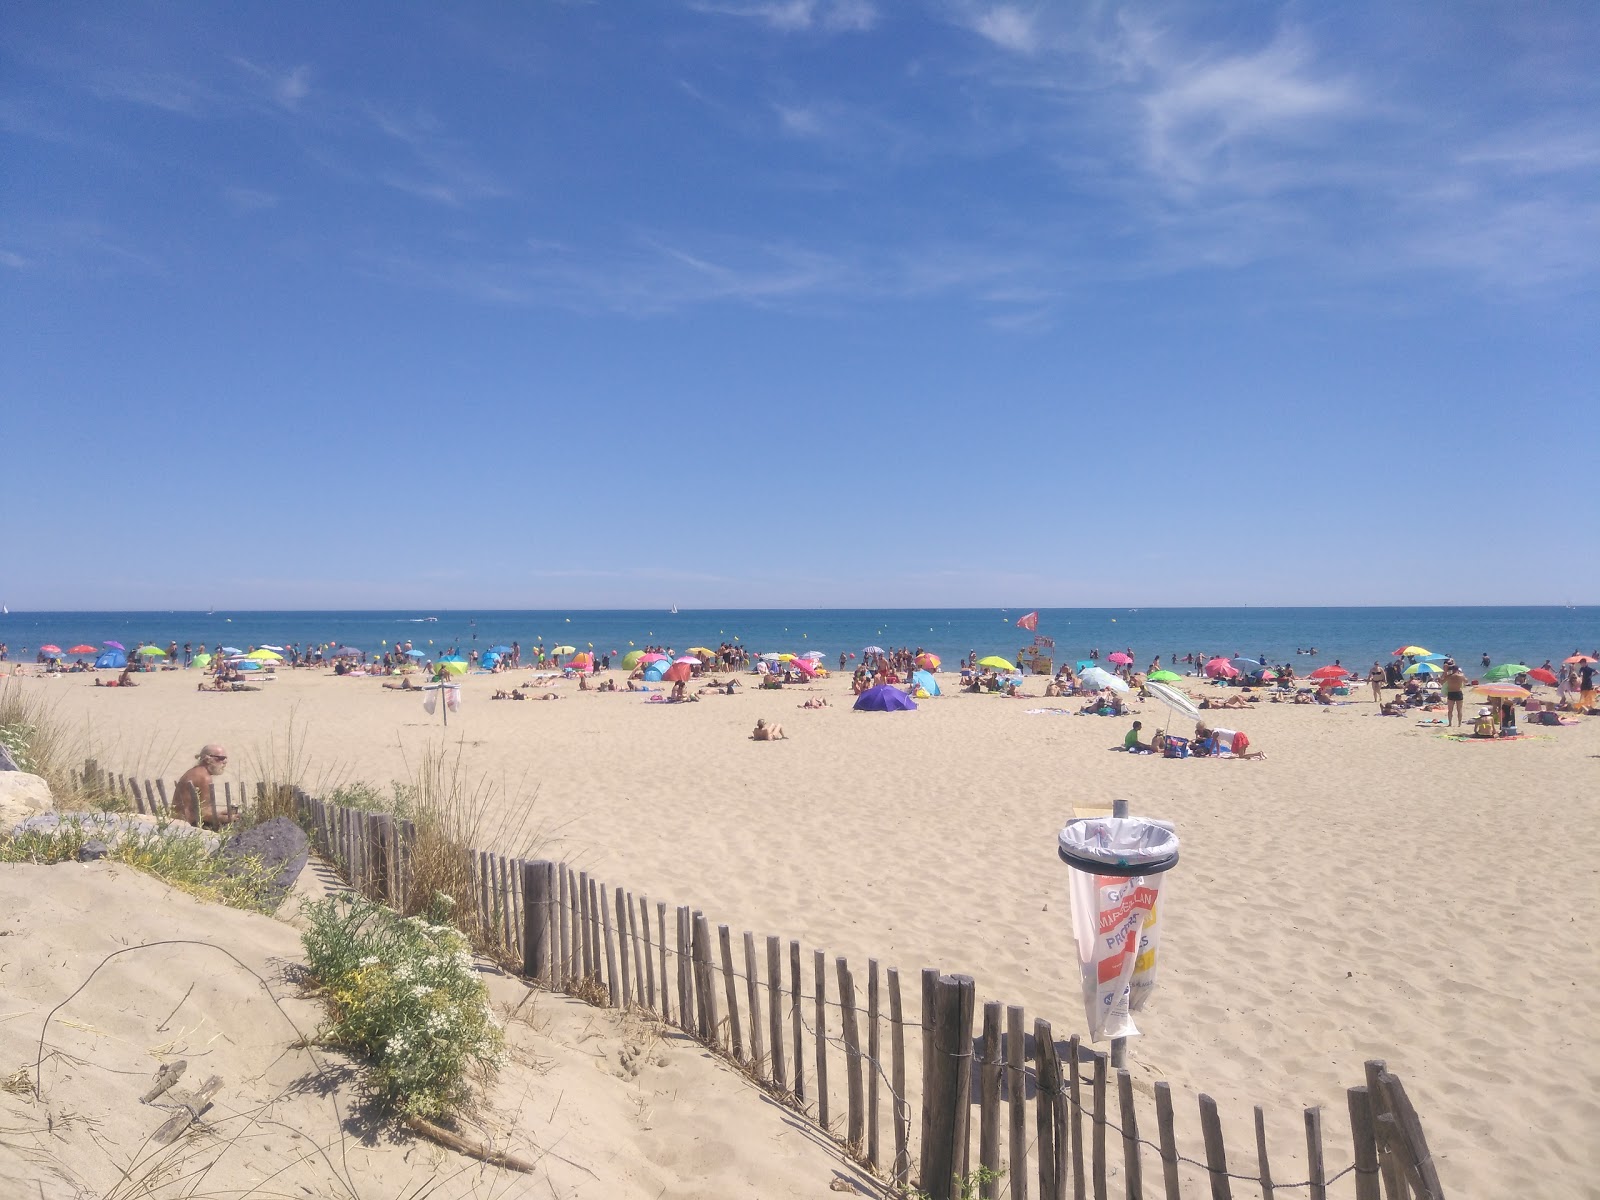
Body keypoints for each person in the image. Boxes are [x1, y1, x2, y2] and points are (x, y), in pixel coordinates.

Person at [173, 744, 236, 830]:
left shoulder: (195, 771)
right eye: (221, 758)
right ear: (208, 759)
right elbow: (203, 813)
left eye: (225, 758)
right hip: (187, 824)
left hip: (179, 820)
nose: (225, 762)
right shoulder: (204, 777)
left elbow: (201, 809)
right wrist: (226, 818)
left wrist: (221, 813)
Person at [1441, 662, 1467, 727]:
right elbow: (1466, 681)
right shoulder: (1461, 675)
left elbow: (1441, 682)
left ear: (1452, 670)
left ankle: (1450, 723)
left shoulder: (1449, 676)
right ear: (1457, 669)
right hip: (1458, 692)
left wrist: (1445, 672)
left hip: (1451, 693)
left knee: (1450, 710)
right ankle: (1459, 724)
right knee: (1459, 710)